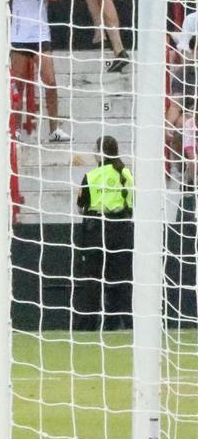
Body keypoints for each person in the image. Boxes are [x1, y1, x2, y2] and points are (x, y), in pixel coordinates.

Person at [10, 0, 70, 142]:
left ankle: (54, 129)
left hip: (41, 37)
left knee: (50, 81)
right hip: (19, 37)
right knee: (17, 86)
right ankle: (15, 130)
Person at [76, 134, 133, 331]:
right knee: (122, 278)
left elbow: (81, 206)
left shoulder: (91, 176)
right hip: (122, 229)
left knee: (93, 280)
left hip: (97, 230)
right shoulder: (126, 174)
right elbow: (131, 202)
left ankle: (89, 324)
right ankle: (122, 322)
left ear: (100, 153)